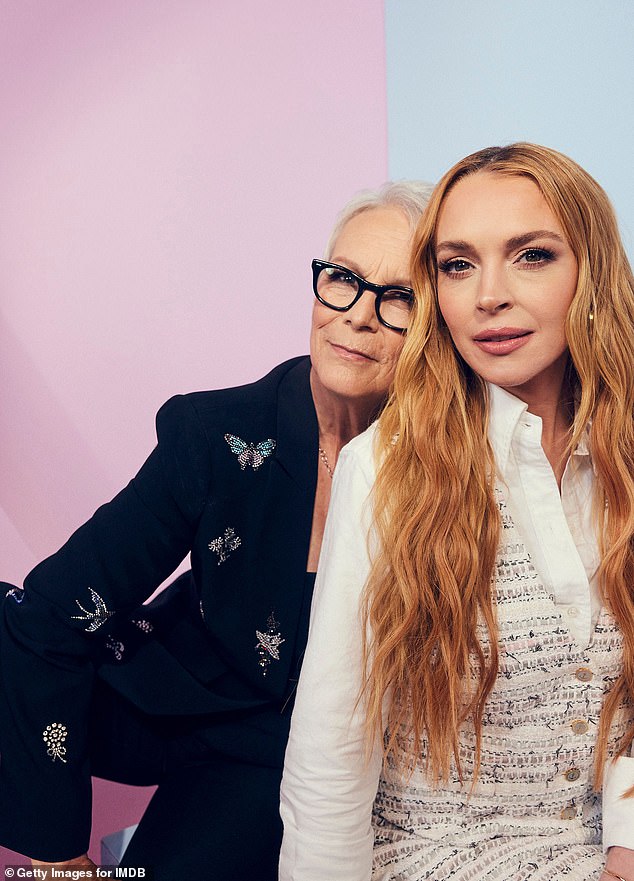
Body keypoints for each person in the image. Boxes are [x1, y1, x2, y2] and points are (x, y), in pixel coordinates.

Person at [0, 179, 433, 879]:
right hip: (170, 699)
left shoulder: (452, 466)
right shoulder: (214, 433)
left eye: (400, 297)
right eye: (344, 280)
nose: (359, 316)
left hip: (277, 755)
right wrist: (57, 855)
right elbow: (52, 611)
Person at [279, 144, 634, 881]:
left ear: (592, 271)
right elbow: (331, 755)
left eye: (531, 255)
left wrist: (626, 847)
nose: (487, 296)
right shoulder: (384, 468)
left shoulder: (626, 452)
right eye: (457, 264)